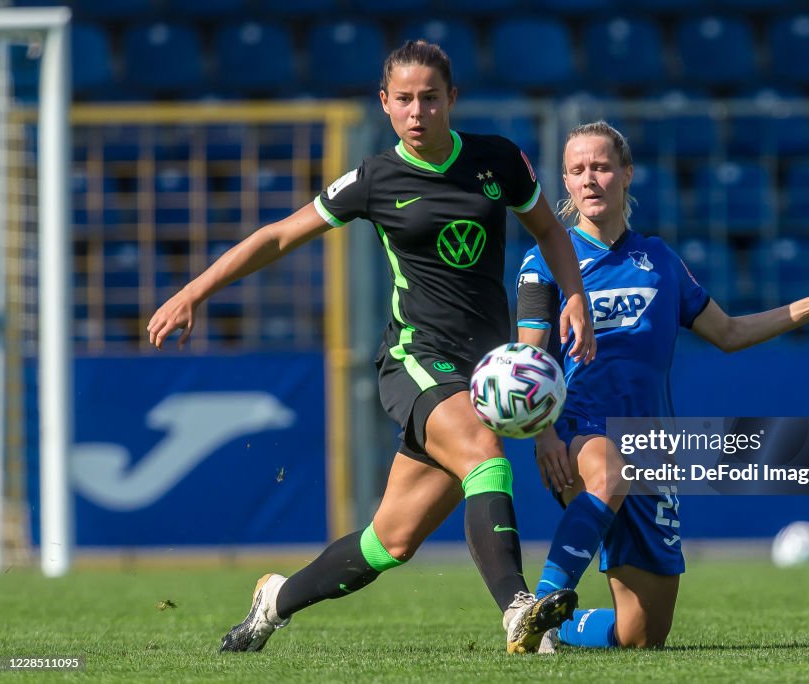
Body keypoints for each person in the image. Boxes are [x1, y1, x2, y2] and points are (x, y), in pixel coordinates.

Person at [146, 41, 597, 655]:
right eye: (404, 100)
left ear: (451, 100)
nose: (418, 111)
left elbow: (548, 229)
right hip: (415, 358)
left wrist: (574, 295)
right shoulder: (375, 178)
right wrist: (195, 290)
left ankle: (274, 601)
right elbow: (280, 236)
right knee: (484, 451)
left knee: (391, 542)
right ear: (385, 104)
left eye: (430, 98)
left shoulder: (498, 161)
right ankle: (518, 609)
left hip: (484, 369)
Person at [515, 121, 809, 650]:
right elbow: (529, 360)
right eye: (577, 171)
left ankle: (560, 629)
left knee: (643, 636)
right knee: (609, 474)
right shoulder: (546, 262)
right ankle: (534, 609)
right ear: (566, 183)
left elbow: (729, 333)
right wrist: (543, 434)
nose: (589, 179)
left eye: (600, 167)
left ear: (626, 174)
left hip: (652, 445)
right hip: (579, 429)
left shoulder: (659, 261)